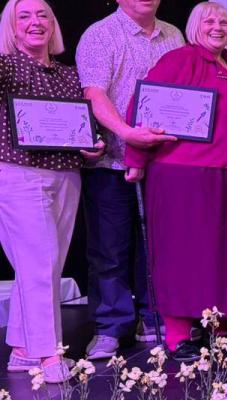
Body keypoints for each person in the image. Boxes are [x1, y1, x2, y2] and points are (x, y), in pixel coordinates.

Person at [123, 2, 227, 362]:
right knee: (184, 254)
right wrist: (135, 161)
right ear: (194, 26)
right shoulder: (179, 61)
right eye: (209, 20)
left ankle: (217, 328)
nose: (217, 26)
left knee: (222, 252)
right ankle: (177, 334)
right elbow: (143, 110)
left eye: (223, 21)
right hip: (184, 175)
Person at [0, 0, 102, 383]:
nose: (35, 22)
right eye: (23, 16)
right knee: (40, 263)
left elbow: (82, 126)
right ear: (10, 26)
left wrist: (94, 145)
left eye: (42, 14)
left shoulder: (68, 74)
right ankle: (48, 354)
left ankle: (24, 349)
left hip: (66, 174)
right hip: (18, 174)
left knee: (43, 266)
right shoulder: (6, 66)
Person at [76, 0, 183, 361]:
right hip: (111, 162)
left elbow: (182, 95)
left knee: (158, 246)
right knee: (110, 250)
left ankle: (153, 317)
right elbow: (94, 93)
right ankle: (111, 326)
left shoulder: (174, 35)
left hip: (162, 165)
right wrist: (127, 133)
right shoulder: (100, 35)